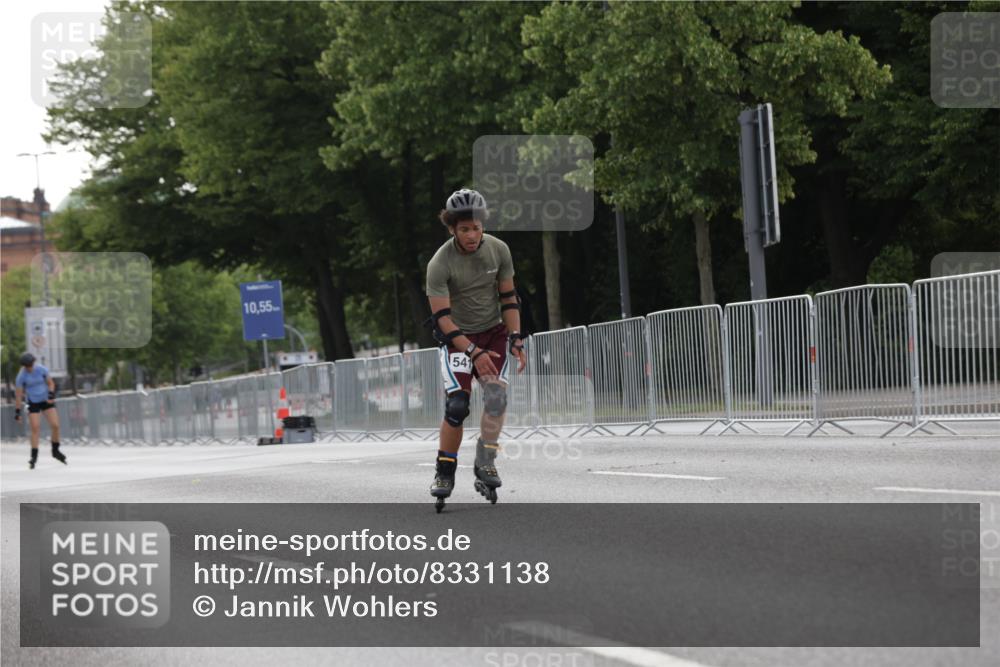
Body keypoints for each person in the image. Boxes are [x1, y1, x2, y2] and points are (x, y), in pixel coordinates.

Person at [425, 188, 527, 507]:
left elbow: (508, 298)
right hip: (457, 337)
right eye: (465, 229)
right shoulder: (440, 263)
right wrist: (472, 352)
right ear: (452, 228)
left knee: (496, 398)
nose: (472, 235)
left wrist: (515, 338)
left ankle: (485, 460)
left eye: (477, 227)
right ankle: (445, 470)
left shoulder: (499, 250)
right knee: (457, 406)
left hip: (494, 333)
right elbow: (441, 317)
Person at [13, 353, 67, 469]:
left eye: (31, 365)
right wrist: (17, 412)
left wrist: (51, 395)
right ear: (24, 366)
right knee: (35, 428)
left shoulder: (42, 369)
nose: (30, 368)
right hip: (32, 402)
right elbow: (18, 396)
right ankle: (34, 457)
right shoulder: (21, 376)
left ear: (34, 362)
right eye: (27, 366)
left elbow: (51, 383)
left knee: (55, 425)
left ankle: (55, 450)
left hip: (45, 400)